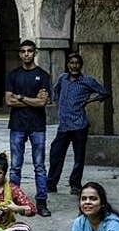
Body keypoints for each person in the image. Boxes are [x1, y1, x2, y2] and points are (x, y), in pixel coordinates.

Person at [46, 52, 109, 197]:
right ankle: (51, 183)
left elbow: (104, 92)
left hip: (79, 125)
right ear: (68, 65)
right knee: (56, 153)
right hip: (64, 125)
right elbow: (55, 91)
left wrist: (90, 100)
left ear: (81, 65)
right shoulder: (62, 78)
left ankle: (75, 184)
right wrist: (57, 101)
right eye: (71, 63)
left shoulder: (87, 81)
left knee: (78, 157)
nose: (74, 66)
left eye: (77, 63)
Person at [5, 39, 54, 217]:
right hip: (17, 125)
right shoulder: (13, 75)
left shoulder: (43, 75)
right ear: (19, 53)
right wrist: (31, 100)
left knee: (39, 166)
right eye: (23, 51)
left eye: (30, 51)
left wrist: (21, 98)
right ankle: (14, 201)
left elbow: (42, 103)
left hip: (37, 126)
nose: (26, 54)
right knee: (15, 166)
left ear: (35, 53)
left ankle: (42, 202)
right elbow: (9, 100)